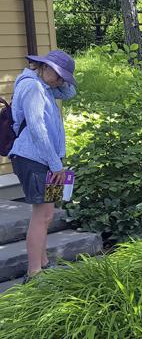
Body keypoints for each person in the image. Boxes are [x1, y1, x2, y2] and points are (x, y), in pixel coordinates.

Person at [9, 50, 77, 281]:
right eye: (59, 75)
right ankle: (34, 273)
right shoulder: (33, 87)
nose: (61, 81)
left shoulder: (45, 85)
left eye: (63, 77)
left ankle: (44, 263)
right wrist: (56, 165)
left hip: (48, 160)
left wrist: (59, 79)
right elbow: (38, 129)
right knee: (42, 214)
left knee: (47, 214)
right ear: (45, 67)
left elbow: (70, 93)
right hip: (35, 159)